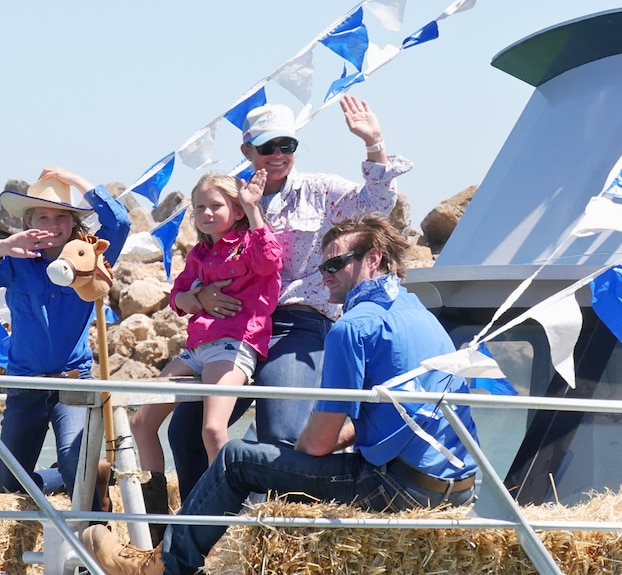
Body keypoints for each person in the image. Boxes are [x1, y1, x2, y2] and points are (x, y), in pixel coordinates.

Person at [81, 213, 480, 575]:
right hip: (456, 490)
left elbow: (319, 443)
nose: (324, 274)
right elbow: (398, 411)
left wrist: (299, 446)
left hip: (396, 489)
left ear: (373, 259)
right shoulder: (422, 317)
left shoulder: (354, 327)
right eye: (322, 266)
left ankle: (163, 566)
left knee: (237, 457)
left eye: (335, 264)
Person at [167, 95, 414, 500]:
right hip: (234, 328)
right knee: (185, 429)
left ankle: (269, 537)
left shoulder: (321, 190)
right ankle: (189, 540)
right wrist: (198, 297)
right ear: (247, 150)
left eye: (287, 145)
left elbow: (377, 205)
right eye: (267, 147)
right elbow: (199, 264)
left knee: (281, 432)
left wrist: (374, 143)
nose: (278, 155)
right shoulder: (226, 196)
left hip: (296, 325)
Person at [0, 166, 130, 513]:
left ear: (72, 222)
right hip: (25, 385)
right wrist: (2, 247)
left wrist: (77, 180)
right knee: (8, 486)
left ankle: (96, 538)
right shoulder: (15, 263)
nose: (51, 225)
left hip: (73, 382)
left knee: (75, 461)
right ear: (28, 222)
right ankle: (63, 477)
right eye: (43, 217)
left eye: (61, 217)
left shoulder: (90, 257)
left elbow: (120, 224)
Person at [129, 170, 282, 543]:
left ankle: (226, 522)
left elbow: (271, 261)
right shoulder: (199, 253)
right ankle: (157, 527)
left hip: (235, 345)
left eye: (217, 205)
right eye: (200, 207)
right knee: (140, 421)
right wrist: (196, 297)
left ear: (237, 209)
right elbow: (176, 298)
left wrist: (254, 209)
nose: (207, 213)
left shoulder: (249, 243)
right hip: (197, 349)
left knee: (212, 429)